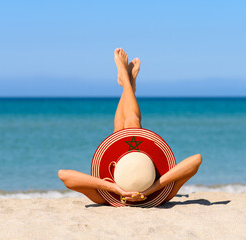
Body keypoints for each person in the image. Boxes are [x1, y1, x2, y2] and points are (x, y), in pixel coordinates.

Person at [58, 48, 202, 205]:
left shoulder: (104, 197)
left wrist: (114, 188)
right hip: (150, 188)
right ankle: (127, 82)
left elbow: (64, 175)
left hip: (116, 187)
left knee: (121, 127)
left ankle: (126, 81)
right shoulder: (162, 195)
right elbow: (196, 160)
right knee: (132, 122)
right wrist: (153, 188)